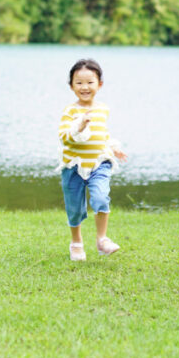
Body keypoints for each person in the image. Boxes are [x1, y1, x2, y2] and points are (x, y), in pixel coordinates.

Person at [58, 58, 127, 261]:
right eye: (79, 83)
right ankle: (76, 243)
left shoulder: (103, 109)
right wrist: (79, 126)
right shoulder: (70, 111)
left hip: (99, 164)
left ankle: (102, 240)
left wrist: (113, 147)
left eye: (90, 82)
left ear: (99, 84)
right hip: (74, 165)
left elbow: (102, 134)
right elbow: (64, 137)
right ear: (71, 86)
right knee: (74, 207)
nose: (84, 87)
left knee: (100, 198)